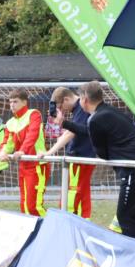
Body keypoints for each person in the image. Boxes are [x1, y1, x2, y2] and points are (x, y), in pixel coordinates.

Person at [79, 80, 135, 239]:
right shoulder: (108, 111)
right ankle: (134, 248)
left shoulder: (95, 119)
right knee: (132, 213)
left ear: (85, 99)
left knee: (126, 216)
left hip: (133, 167)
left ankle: (131, 252)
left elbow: (101, 153)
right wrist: (65, 124)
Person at [44, 87, 95, 219]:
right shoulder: (78, 110)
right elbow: (70, 131)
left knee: (72, 195)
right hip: (81, 157)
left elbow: (71, 133)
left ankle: (67, 220)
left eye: (61, 106)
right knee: (82, 193)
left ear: (66, 99)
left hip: (81, 158)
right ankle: (84, 221)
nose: (61, 110)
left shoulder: (81, 109)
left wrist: (50, 152)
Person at [0, 89, 49, 217]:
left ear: (25, 102)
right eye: (10, 102)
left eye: (15, 102)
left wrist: (22, 150)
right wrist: (3, 152)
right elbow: (6, 143)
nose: (12, 105)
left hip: (37, 164)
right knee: (24, 204)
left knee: (34, 206)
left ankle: (48, 230)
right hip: (23, 165)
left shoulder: (34, 114)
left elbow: (33, 135)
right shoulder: (10, 122)